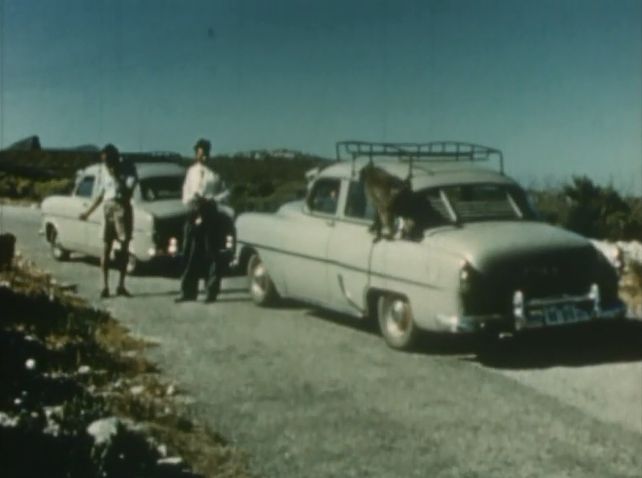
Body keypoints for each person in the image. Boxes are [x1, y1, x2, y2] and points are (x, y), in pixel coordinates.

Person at [79, 144, 137, 298]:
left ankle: (121, 285)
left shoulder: (128, 167)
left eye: (108, 160)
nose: (106, 164)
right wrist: (88, 212)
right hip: (107, 207)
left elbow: (129, 190)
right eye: (104, 161)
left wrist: (117, 176)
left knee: (124, 247)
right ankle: (104, 286)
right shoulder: (103, 169)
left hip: (121, 207)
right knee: (105, 247)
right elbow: (100, 193)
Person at [175, 138, 229, 302]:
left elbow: (226, 192)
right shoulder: (191, 171)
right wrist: (193, 199)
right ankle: (188, 292)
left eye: (205, 154)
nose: (203, 157)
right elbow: (186, 192)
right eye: (200, 154)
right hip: (194, 211)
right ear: (196, 154)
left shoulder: (215, 173)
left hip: (210, 213)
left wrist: (213, 198)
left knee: (211, 252)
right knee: (190, 252)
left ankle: (211, 290)